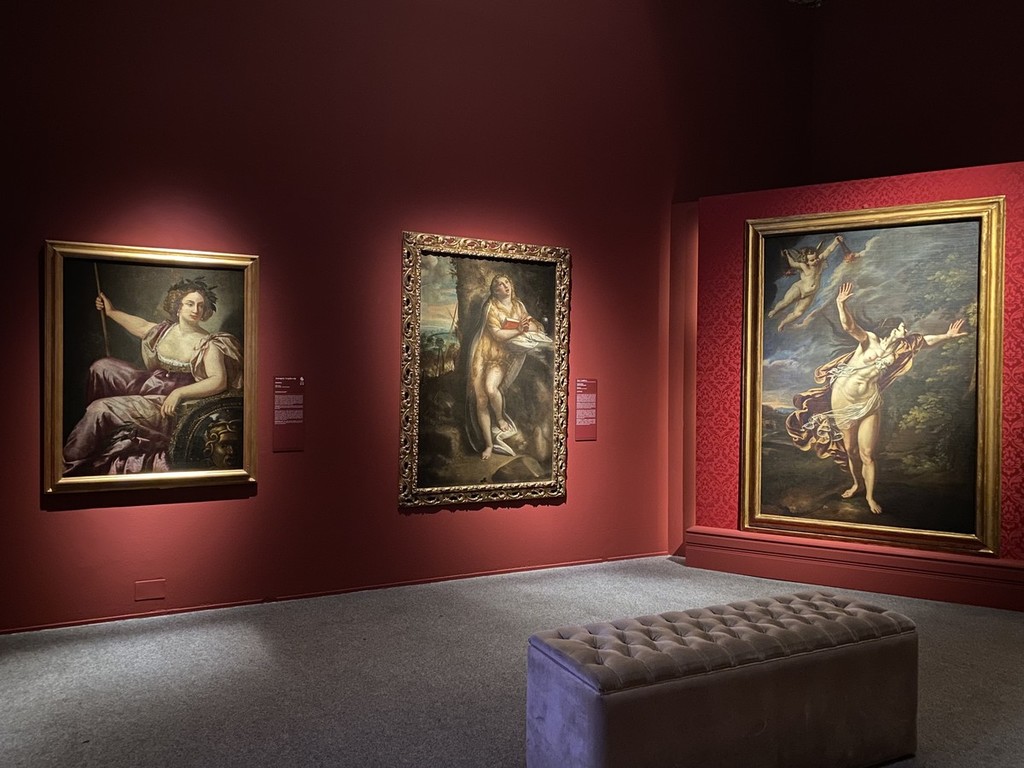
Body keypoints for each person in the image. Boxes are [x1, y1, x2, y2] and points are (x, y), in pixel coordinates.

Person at [785, 282, 965, 514]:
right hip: (843, 400)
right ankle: (856, 484)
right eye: (902, 327)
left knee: (867, 454)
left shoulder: (902, 347)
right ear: (892, 329)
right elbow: (849, 326)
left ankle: (870, 496)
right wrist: (841, 304)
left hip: (869, 401)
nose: (905, 330)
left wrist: (948, 336)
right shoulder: (869, 340)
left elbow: (925, 341)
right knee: (850, 450)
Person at [63, 277, 244, 475]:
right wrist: (111, 312)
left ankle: (70, 465)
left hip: (168, 400)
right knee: (101, 368)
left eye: (201, 306)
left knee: (99, 409)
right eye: (190, 304)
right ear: (178, 306)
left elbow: (218, 381)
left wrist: (178, 393)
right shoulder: (165, 330)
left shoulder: (208, 343)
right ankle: (101, 435)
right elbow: (140, 326)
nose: (196, 310)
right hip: (152, 383)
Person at [465, 273, 551, 460]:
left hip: (501, 356)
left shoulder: (518, 306)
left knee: (491, 388)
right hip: (483, 353)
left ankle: (500, 417)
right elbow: (497, 335)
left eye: (506, 283)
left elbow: (535, 325)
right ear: (494, 291)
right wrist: (519, 329)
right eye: (499, 284)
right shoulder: (490, 307)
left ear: (511, 285)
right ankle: (488, 445)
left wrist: (530, 326)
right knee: (481, 399)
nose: (504, 286)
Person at [767, 235, 843, 331]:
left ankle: (783, 323)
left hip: (810, 294)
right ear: (806, 261)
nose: (816, 261)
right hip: (799, 289)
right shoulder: (803, 266)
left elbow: (828, 250)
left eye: (816, 258)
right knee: (785, 302)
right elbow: (792, 264)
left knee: (798, 313)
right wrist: (788, 255)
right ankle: (775, 311)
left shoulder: (820, 260)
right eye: (812, 260)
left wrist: (836, 242)